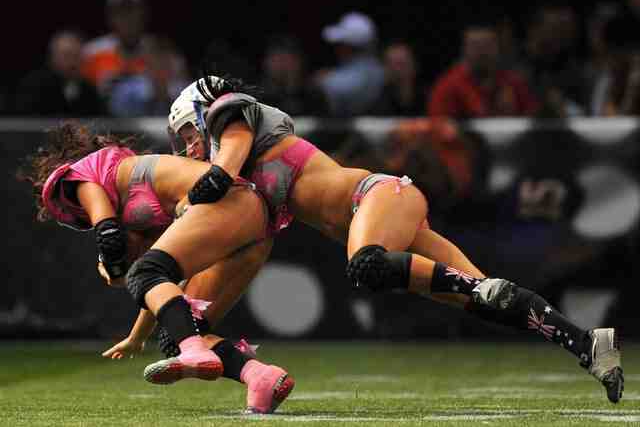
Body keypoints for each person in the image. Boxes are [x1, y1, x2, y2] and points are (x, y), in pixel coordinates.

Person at [147, 75, 623, 404]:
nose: (187, 146)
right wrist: (161, 316)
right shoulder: (242, 179)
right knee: (487, 301)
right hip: (379, 216)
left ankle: (476, 287)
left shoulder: (230, 118)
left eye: (187, 132)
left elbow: (220, 171)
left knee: (368, 265)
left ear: (201, 109)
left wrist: (185, 198)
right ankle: (589, 344)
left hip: (376, 197)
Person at [21, 122, 294, 414]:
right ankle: (260, 377)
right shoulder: (144, 200)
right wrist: (137, 337)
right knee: (178, 331)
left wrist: (112, 268)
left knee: (149, 279)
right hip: (255, 228)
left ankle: (194, 350)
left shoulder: (78, 178)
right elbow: (162, 288)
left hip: (233, 202)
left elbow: (109, 236)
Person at [15, 31, 104, 116]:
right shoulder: (34, 85)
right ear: (52, 57)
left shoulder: (89, 89)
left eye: (76, 56)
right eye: (66, 55)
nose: (72, 62)